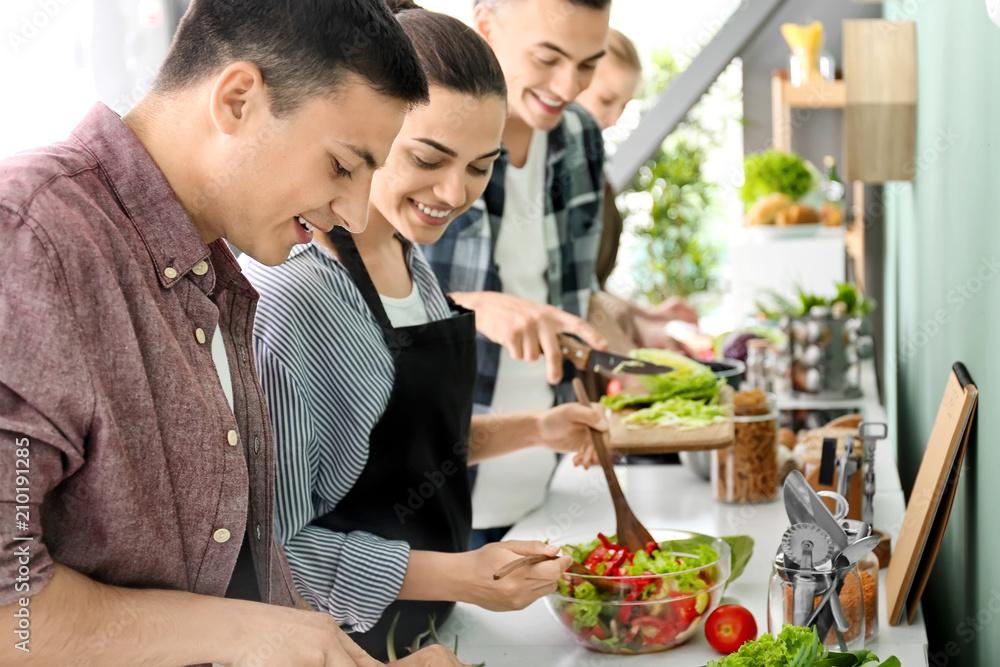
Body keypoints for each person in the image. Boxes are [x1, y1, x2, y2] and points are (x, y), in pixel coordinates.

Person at [0, 1, 462, 665]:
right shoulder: (29, 238)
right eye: (341, 166)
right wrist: (246, 631)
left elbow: (239, 568)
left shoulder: (214, 270)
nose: (355, 214)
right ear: (238, 98)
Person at [242, 2, 605, 659]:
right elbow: (275, 542)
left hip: (440, 632)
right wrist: (459, 572)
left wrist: (537, 427)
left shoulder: (413, 262)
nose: (454, 191)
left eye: (480, 166)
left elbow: (399, 451)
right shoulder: (294, 295)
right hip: (350, 648)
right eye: (428, 157)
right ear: (369, 133)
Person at [421, 0, 612, 548]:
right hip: (442, 485)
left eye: (588, 64)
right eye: (549, 57)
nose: (568, 85)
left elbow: (579, 295)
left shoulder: (579, 137)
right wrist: (472, 306)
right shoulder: (430, 133)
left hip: (546, 476)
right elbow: (363, 304)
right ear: (486, 25)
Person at [575, 28, 700, 354]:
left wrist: (648, 317)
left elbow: (588, 286)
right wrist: (636, 358)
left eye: (625, 105)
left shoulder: (591, 165)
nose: (614, 118)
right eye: (606, 100)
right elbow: (572, 292)